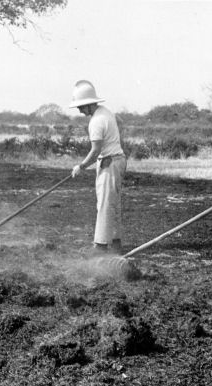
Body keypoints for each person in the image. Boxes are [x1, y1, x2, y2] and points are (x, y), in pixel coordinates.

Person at [69, 80, 127, 255]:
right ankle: (116, 243)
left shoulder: (96, 122)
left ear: (88, 104)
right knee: (113, 204)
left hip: (110, 163)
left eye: (81, 106)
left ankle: (100, 246)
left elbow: (95, 151)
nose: (79, 110)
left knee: (104, 204)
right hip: (118, 160)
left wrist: (81, 166)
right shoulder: (106, 112)